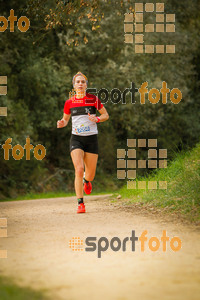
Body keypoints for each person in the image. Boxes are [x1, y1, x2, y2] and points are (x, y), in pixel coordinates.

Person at [57, 72, 109, 213]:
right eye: (78, 82)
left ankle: (87, 181)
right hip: (77, 139)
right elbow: (66, 120)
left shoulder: (93, 99)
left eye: (83, 82)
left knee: (90, 174)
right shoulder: (69, 102)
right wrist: (62, 123)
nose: (80, 84)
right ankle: (80, 203)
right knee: (79, 169)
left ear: (86, 85)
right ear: (74, 86)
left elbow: (105, 115)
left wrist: (97, 119)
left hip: (91, 139)